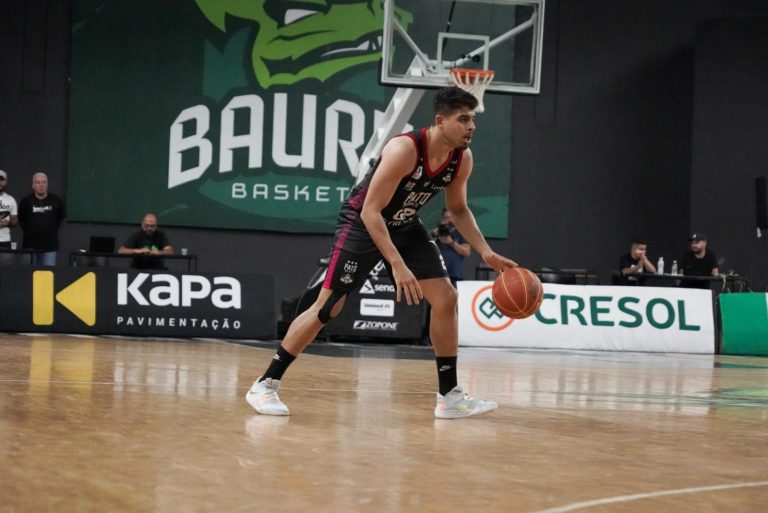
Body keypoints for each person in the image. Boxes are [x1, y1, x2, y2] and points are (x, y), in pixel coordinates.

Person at [245, 86, 517, 419]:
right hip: (363, 223)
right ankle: (265, 384)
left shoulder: (462, 159)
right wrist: (397, 264)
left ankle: (450, 397)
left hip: (404, 224)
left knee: (446, 298)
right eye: (463, 119)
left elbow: (458, 210)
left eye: (472, 119)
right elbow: (370, 211)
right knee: (328, 307)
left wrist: (485, 251)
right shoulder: (405, 149)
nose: (471, 126)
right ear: (440, 121)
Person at [17, 172, 66, 266]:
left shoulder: (56, 200)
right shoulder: (26, 201)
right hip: (30, 246)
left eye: (44, 182)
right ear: (33, 185)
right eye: (38, 182)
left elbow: (61, 219)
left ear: (47, 184)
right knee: (28, 273)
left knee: (48, 273)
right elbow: (21, 220)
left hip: (50, 247)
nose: (41, 185)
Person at [431, 208, 471, 287]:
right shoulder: (438, 232)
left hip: (454, 274)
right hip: (439, 274)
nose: (447, 220)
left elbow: (467, 252)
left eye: (450, 217)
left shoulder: (461, 232)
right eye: (445, 217)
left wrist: (451, 243)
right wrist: (435, 234)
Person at [0, 170, 19, 250]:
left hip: (5, 241)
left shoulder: (11, 200)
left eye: (1, 180)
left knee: (5, 259)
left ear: (6, 182)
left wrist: (8, 223)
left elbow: (15, 222)